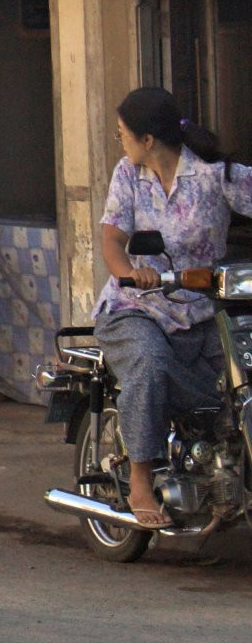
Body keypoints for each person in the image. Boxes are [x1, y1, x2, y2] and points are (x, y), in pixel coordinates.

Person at [95, 86, 252, 527]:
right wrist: (130, 272)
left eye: (122, 133)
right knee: (150, 363)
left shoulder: (216, 176)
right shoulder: (128, 174)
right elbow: (112, 239)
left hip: (203, 309)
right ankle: (141, 480)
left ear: (148, 139)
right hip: (137, 307)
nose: (120, 141)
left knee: (238, 378)